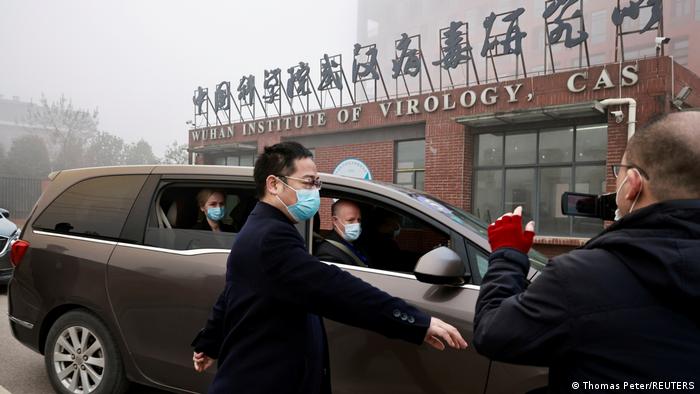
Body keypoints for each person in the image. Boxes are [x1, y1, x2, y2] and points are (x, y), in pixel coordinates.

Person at [191, 141, 467, 394]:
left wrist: (209, 342)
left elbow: (232, 291)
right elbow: (334, 288)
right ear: (274, 184)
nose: (315, 192)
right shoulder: (271, 238)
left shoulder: (261, 227)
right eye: (308, 183)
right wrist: (418, 322)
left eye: (317, 183)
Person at [473, 112, 700, 392]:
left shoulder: (580, 277)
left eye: (619, 170)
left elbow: (493, 334)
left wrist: (507, 255)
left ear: (633, 183)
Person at [314, 199, 369, 266]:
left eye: (359, 220)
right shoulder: (328, 252)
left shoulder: (356, 243)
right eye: (350, 220)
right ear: (335, 220)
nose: (357, 224)